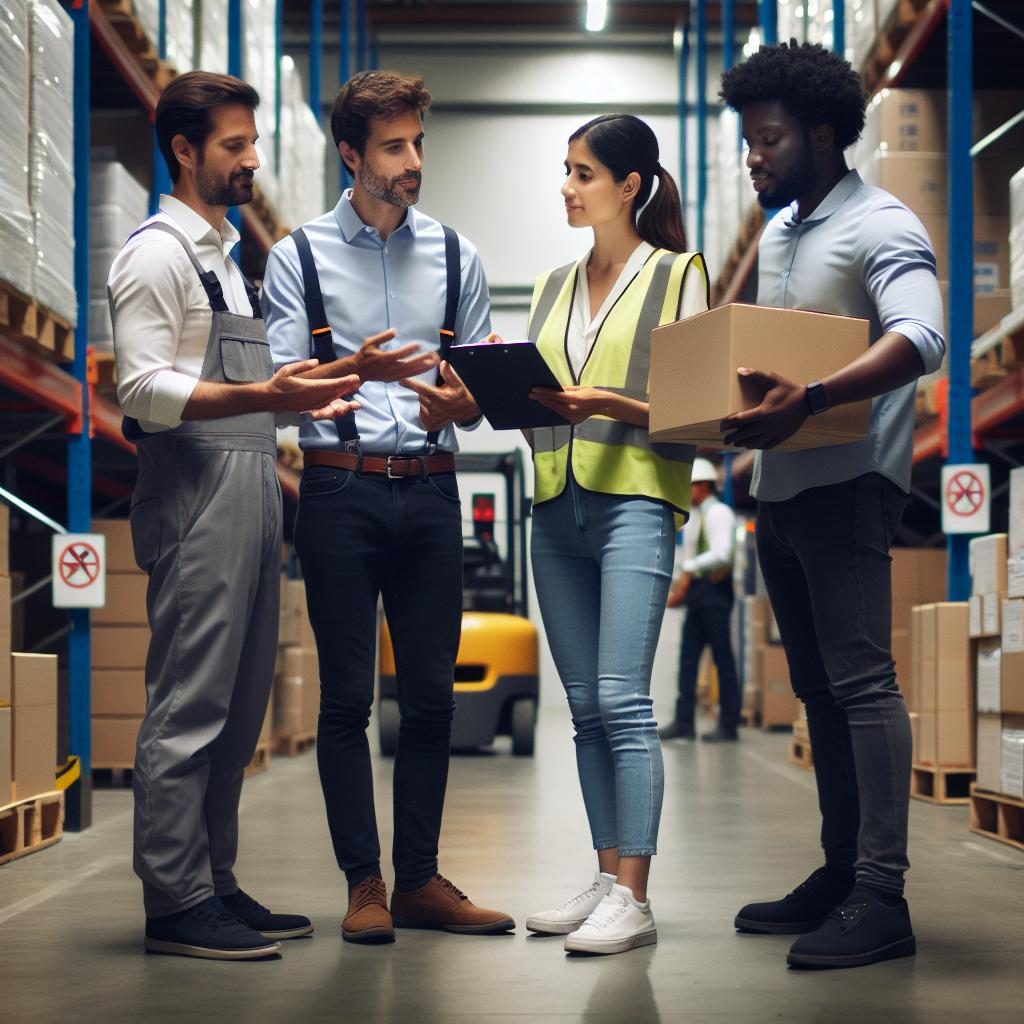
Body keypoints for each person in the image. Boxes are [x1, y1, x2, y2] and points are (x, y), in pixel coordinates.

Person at [109, 71, 358, 961]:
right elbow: (138, 389)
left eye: (253, 142)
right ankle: (173, 899)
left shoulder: (222, 255)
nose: (253, 158)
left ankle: (214, 879)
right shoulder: (153, 253)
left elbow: (244, 392)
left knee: (242, 700)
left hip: (252, 485)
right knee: (190, 702)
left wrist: (301, 404)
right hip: (194, 494)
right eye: (234, 146)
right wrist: (263, 391)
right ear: (183, 151)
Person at [261, 70, 514, 945]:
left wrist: (463, 405)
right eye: (394, 148)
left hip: (432, 489)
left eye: (418, 145)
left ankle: (420, 880)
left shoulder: (456, 255)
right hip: (337, 488)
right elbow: (286, 385)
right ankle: (363, 884)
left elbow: (477, 381)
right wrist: (348, 377)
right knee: (345, 701)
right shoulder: (296, 257)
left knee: (435, 698)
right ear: (351, 155)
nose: (412, 163)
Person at [718, 42, 945, 969]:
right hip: (782, 493)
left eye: (767, 139)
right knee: (817, 691)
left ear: (820, 133)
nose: (753, 157)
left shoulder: (880, 223)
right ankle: (842, 868)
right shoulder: (779, 233)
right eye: (747, 141)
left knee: (861, 685)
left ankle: (882, 896)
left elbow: (923, 334)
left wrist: (811, 402)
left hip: (851, 484)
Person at [519, 114, 709, 955]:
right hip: (555, 502)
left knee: (626, 701)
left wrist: (604, 405)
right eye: (566, 171)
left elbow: (699, 413)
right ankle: (604, 879)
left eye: (583, 173)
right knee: (586, 709)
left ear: (630, 187)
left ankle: (634, 896)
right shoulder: (552, 285)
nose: (567, 186)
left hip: (636, 495)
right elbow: (537, 403)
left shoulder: (679, 276)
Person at [660, 457, 741, 743]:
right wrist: (683, 584)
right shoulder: (695, 518)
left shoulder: (719, 513)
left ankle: (729, 725)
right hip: (698, 595)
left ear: (703, 485)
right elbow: (693, 558)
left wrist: (689, 570)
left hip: (715, 594)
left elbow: (722, 553)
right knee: (688, 659)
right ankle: (684, 722)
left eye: (690, 485)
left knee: (723, 659)